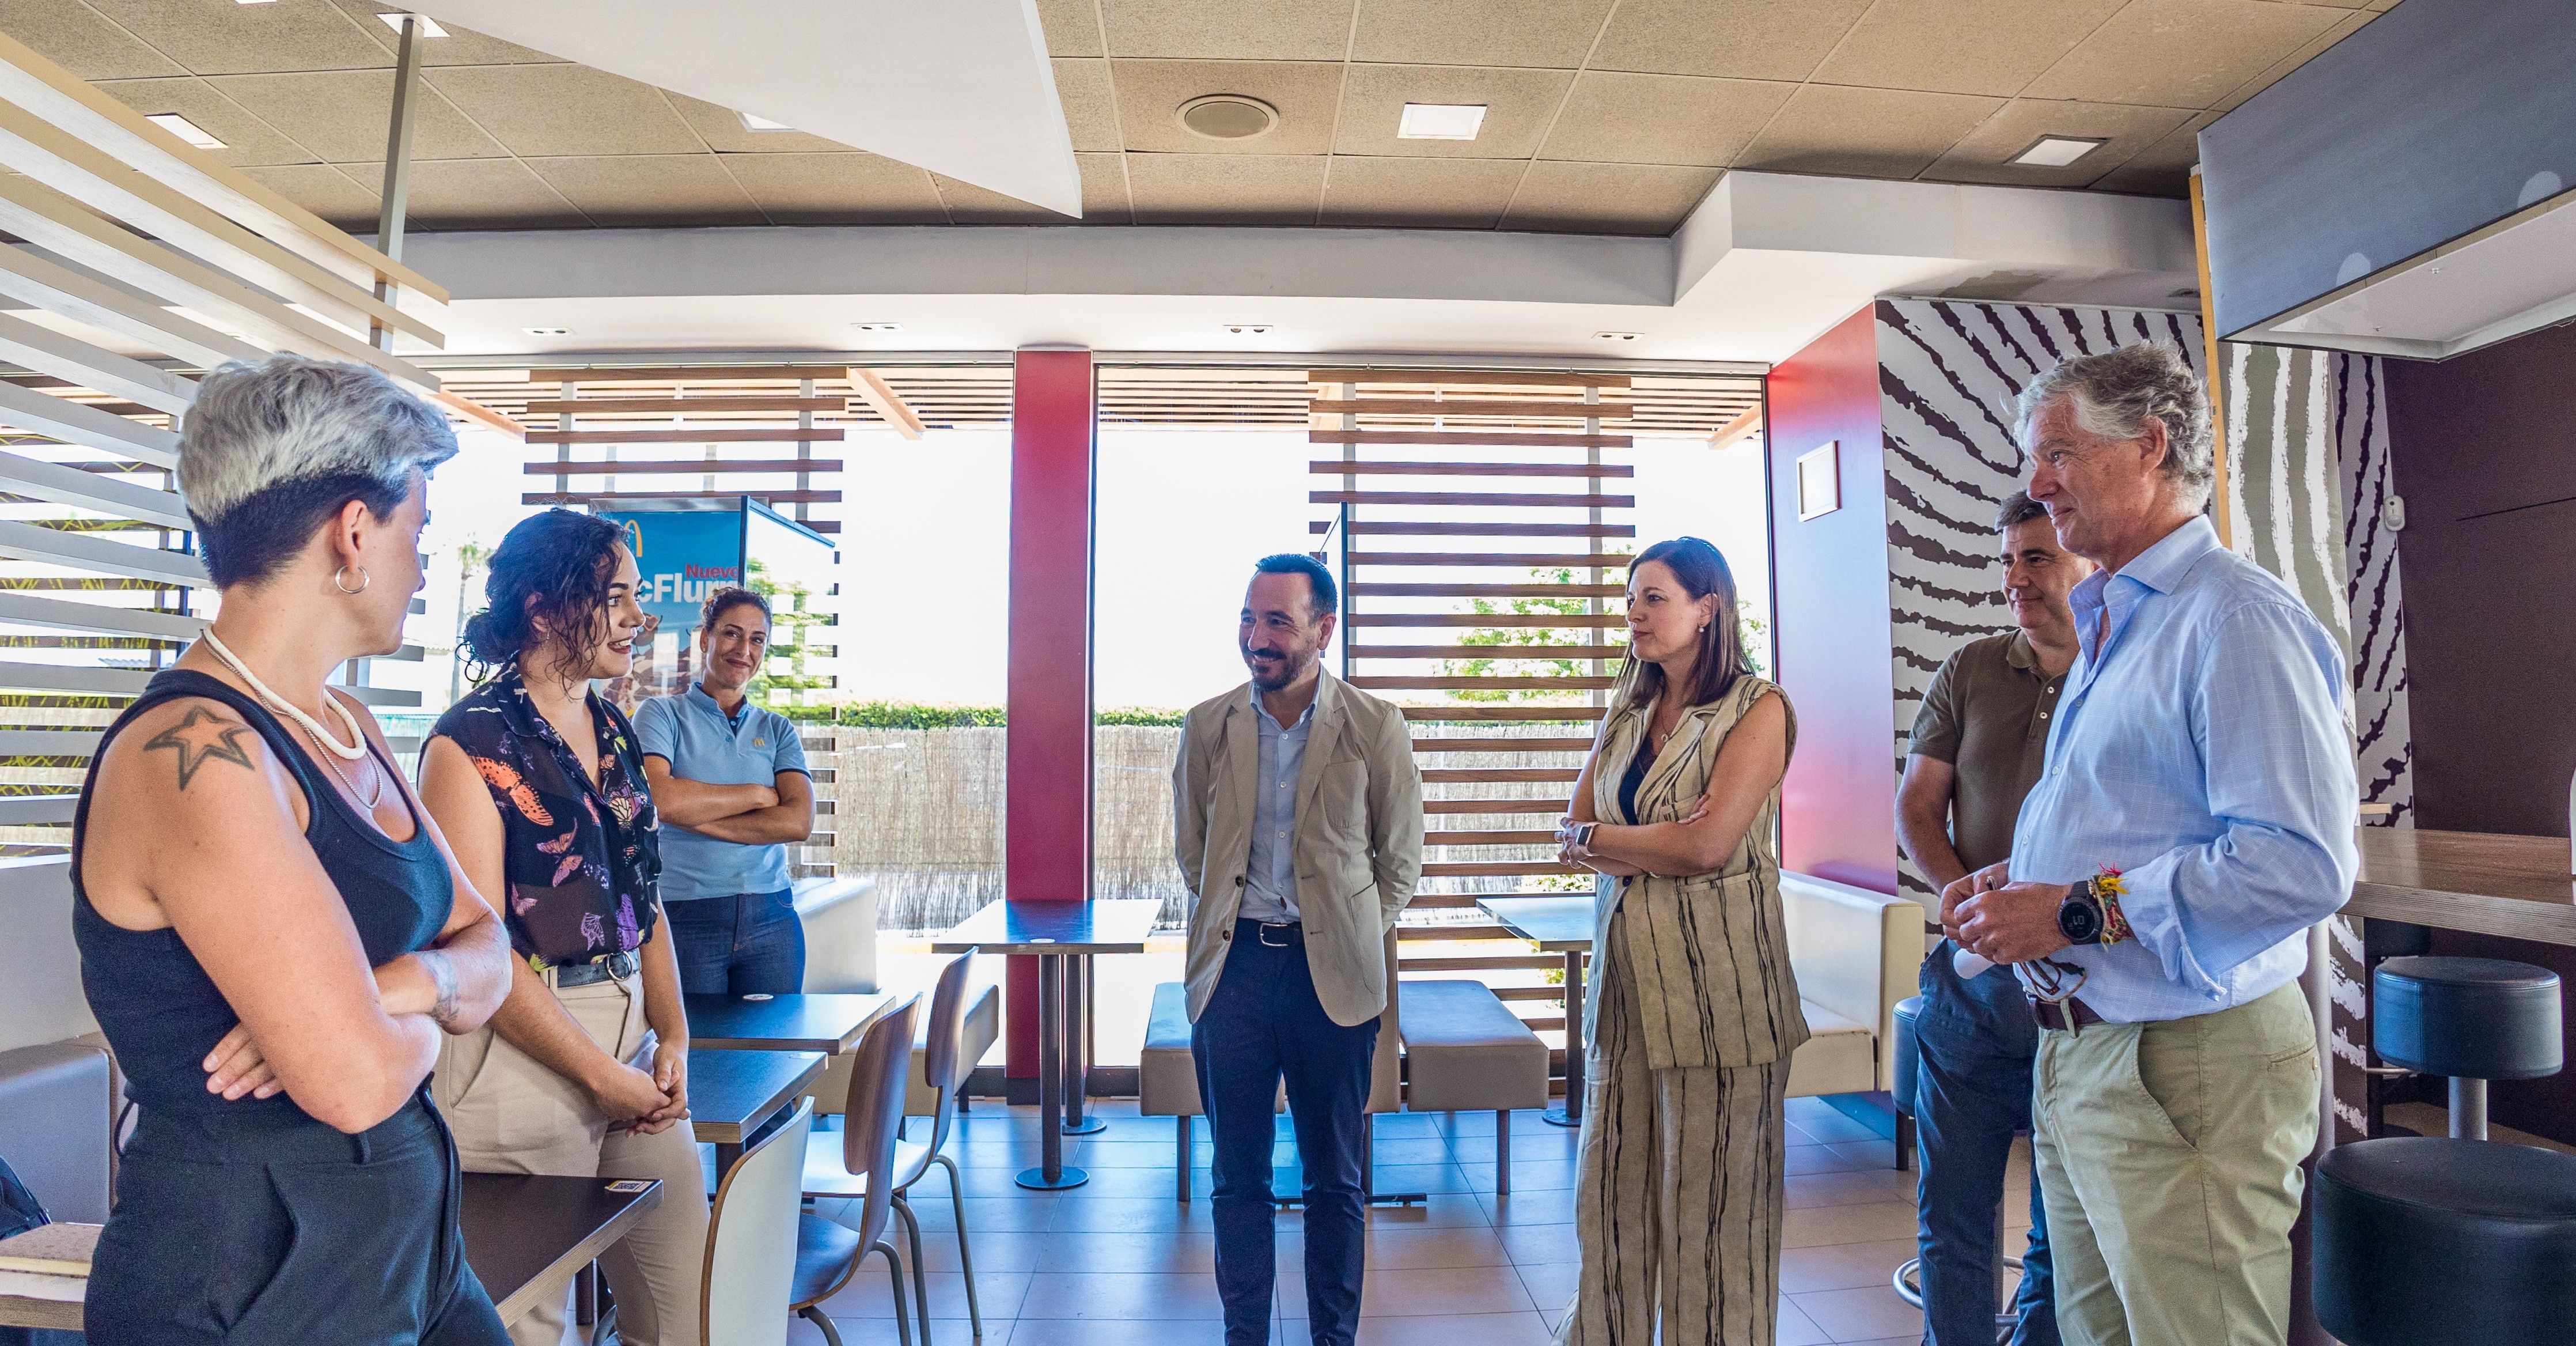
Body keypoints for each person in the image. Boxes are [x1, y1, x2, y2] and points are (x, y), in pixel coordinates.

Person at [72, 354, 514, 1344]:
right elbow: (353, 1079)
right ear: (354, 534)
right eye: (421, 533)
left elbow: (493, 949)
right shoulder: (192, 756)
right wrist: (425, 1002)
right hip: (255, 1279)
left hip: (411, 1248)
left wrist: (395, 990)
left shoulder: (344, 720)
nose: (427, 565)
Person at [1946, 342, 2357, 1346]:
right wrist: (2029, 881)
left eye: (2056, 452)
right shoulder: (2120, 619)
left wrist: (2072, 908)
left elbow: (2300, 864)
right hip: (2085, 1052)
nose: (2035, 485)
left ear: (2151, 444)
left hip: (2187, 1064)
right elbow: (2147, 817)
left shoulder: (2234, 619)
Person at [419, 509, 708, 1346]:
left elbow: (642, 900)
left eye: (636, 598)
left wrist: (675, 1036)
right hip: (520, 1053)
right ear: (544, 610)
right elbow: (480, 950)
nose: (634, 618)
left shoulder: (615, 725)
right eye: (613, 598)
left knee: (686, 1316)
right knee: (527, 1326)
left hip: (633, 1048)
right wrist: (603, 1077)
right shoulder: (467, 744)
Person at [1552, 536, 1805, 1346]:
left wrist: (1612, 840)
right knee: (1612, 1200)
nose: (1635, 614)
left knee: (1716, 1221)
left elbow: (1708, 848)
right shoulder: (1626, 710)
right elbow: (1572, 828)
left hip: (1723, 994)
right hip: (1626, 989)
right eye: (1631, 599)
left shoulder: (1759, 709)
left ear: (1709, 609)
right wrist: (1638, 838)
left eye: (1654, 598)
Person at [1171, 553, 1423, 1346]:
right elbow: (1193, 851)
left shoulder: (1375, 726)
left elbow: (1401, 862)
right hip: (1235, 973)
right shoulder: (1208, 725)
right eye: (1250, 618)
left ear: (1324, 629)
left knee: (1335, 1182)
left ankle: (1333, 1339)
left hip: (1335, 982)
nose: (1258, 637)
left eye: (1278, 621)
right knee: (1236, 1179)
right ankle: (1245, 1335)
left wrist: (1344, 928)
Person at [1896, 491, 2092, 1346]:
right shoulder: (1971, 668)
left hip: (2086, 986)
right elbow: (1917, 805)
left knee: (2063, 1224)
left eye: (2036, 558)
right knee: (1954, 1215)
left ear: (2086, 560)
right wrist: (1964, 893)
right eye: (2007, 559)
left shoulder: (2118, 674)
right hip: (1968, 985)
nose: (2015, 578)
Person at [634, 587, 816, 996]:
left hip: (774, 919)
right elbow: (660, 800)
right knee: (699, 1056)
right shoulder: (660, 715)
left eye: (757, 640)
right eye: (732, 634)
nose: (744, 650)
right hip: (685, 917)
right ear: (705, 638)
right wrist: (755, 794)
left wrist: (693, 813)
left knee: (776, 1056)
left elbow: (798, 822)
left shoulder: (777, 729)